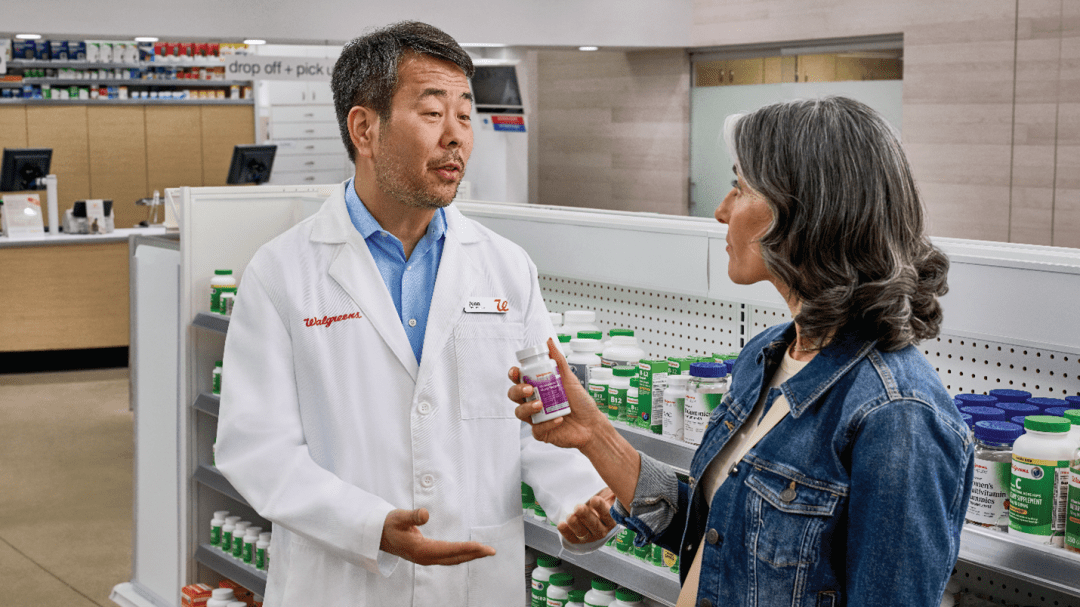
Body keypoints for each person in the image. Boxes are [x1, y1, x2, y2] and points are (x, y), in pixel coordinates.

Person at [509, 97, 975, 607]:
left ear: (806, 213)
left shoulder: (899, 415)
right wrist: (594, 433)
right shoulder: (767, 355)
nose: (722, 211)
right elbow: (720, 536)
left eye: (742, 188)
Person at [215, 22, 614, 607]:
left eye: (465, 115)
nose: (456, 137)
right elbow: (255, 448)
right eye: (432, 113)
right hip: (342, 585)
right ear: (364, 129)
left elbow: (542, 415)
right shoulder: (283, 272)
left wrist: (578, 498)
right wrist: (370, 525)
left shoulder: (505, 267)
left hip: (474, 584)